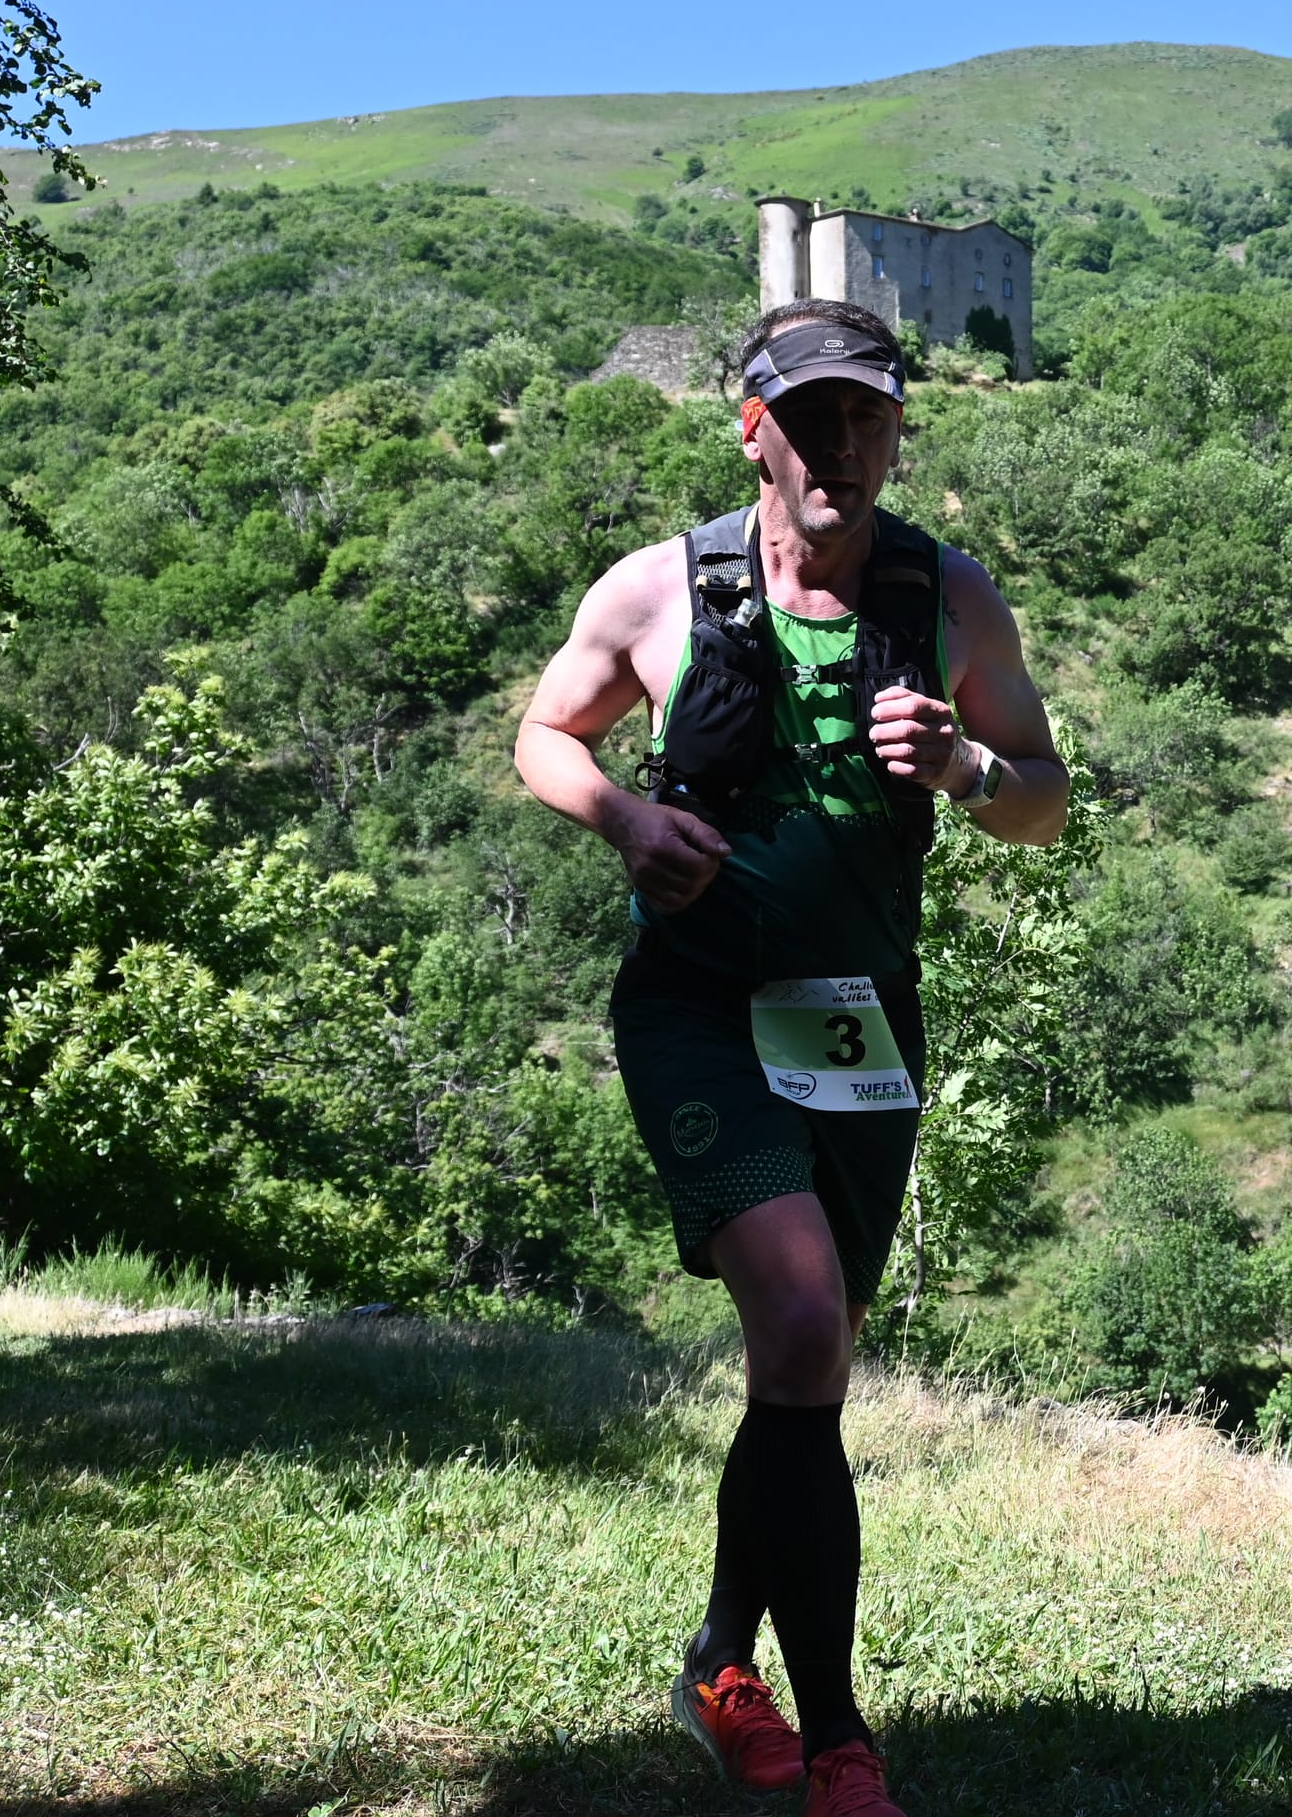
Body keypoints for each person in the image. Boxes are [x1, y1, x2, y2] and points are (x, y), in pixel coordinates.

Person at [515, 298, 1068, 1815]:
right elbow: (545, 735)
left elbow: (1045, 799)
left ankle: (717, 1664)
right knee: (809, 1315)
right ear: (751, 427)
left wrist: (963, 767)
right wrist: (625, 820)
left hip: (860, 1025)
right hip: (699, 1011)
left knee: (803, 1366)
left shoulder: (949, 600)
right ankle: (840, 1747)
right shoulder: (660, 588)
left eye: (866, 418)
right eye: (808, 418)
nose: (839, 446)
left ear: (898, 433)